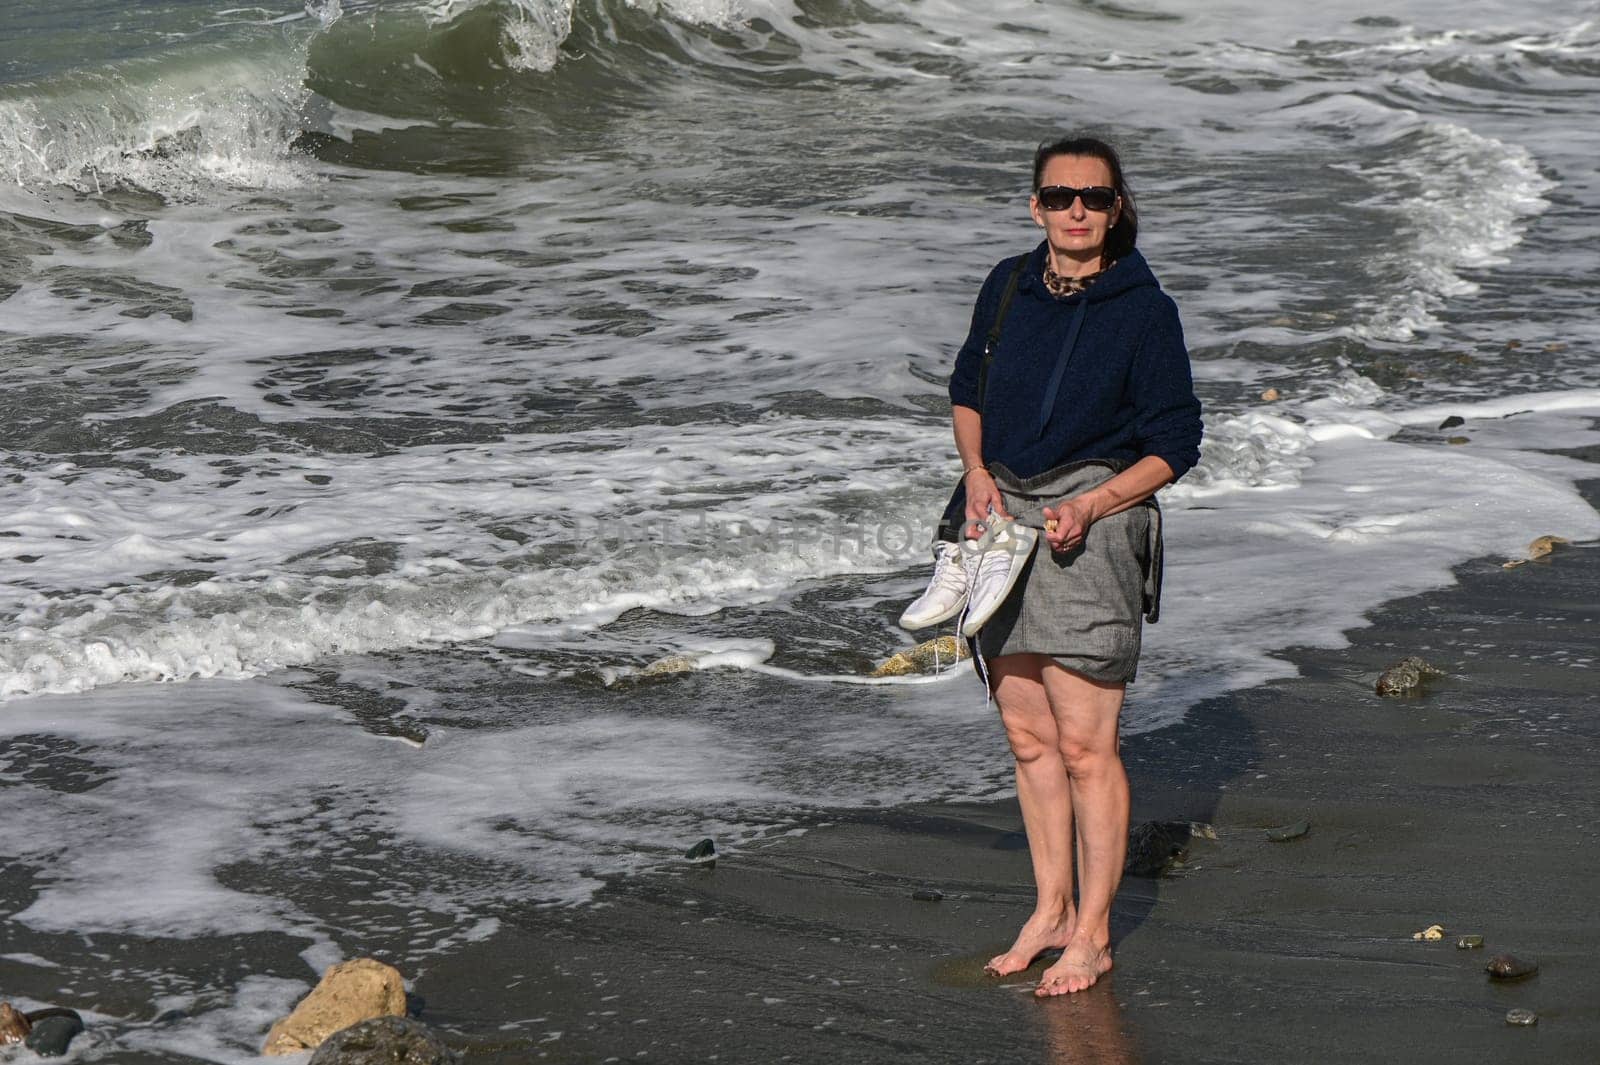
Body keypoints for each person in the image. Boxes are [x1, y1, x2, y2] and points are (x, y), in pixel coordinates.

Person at [945, 136, 1203, 996]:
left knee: (1088, 747)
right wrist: (976, 475)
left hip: (1091, 522)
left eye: (1094, 196)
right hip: (999, 517)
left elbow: (1176, 443)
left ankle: (1092, 933)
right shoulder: (1008, 285)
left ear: (1118, 205)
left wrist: (1095, 504)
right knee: (1028, 739)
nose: (1077, 210)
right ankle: (1049, 909)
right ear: (1036, 207)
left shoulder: (1144, 309)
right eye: (1060, 196)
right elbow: (967, 390)